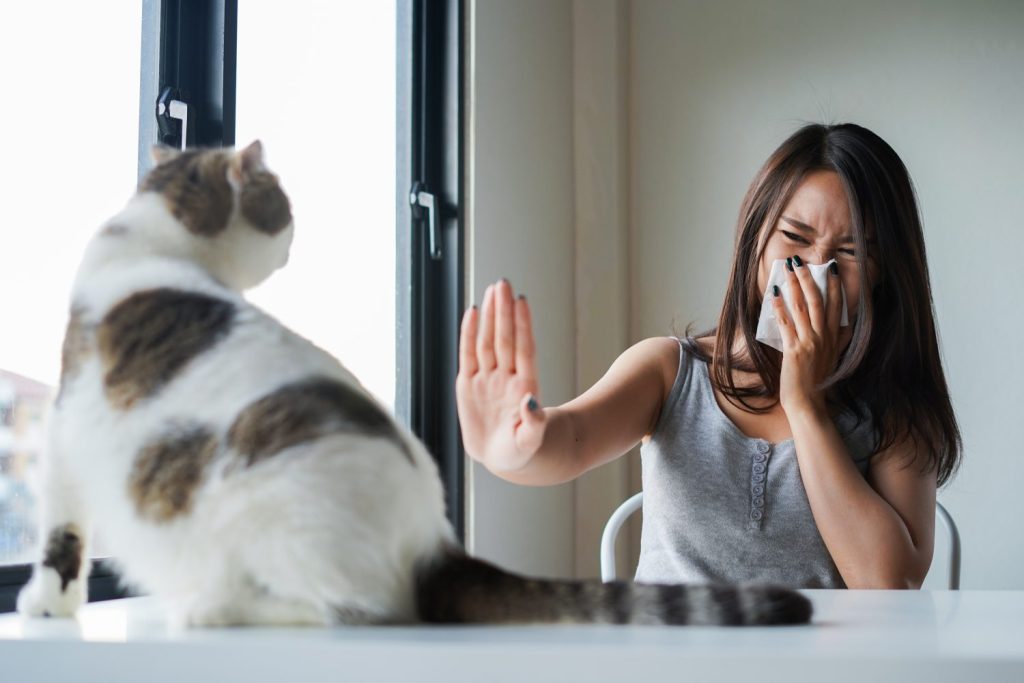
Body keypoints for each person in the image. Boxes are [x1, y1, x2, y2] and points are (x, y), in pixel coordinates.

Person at [455, 122, 962, 589]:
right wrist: (514, 447)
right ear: (756, 240)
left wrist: (804, 403)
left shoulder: (898, 409)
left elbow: (889, 585)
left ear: (883, 273)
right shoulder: (669, 371)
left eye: (851, 254)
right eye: (796, 239)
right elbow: (570, 440)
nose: (814, 268)